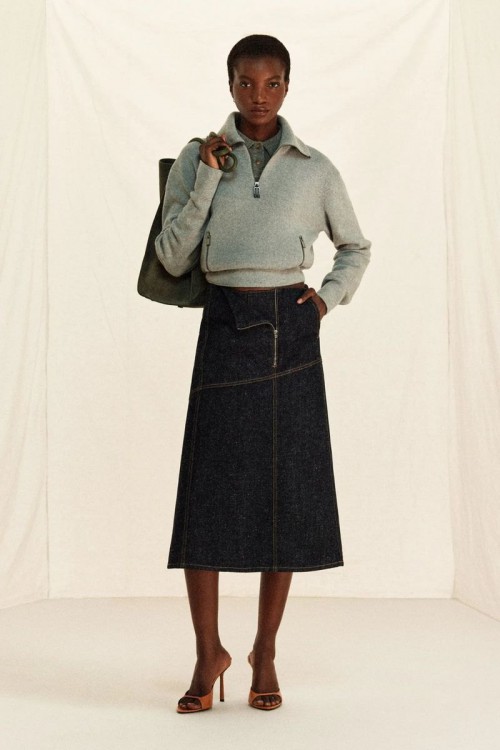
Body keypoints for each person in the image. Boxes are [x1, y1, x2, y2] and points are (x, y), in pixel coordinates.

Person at [155, 34, 371, 713]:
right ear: (229, 85)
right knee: (205, 499)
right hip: (223, 326)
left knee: (287, 499)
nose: (258, 95)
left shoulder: (315, 168)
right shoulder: (198, 157)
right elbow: (171, 256)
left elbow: (355, 248)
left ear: (286, 86)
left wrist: (325, 301)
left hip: (290, 331)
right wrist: (207, 176)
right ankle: (207, 653)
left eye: (271, 82)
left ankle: (265, 651)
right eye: (246, 82)